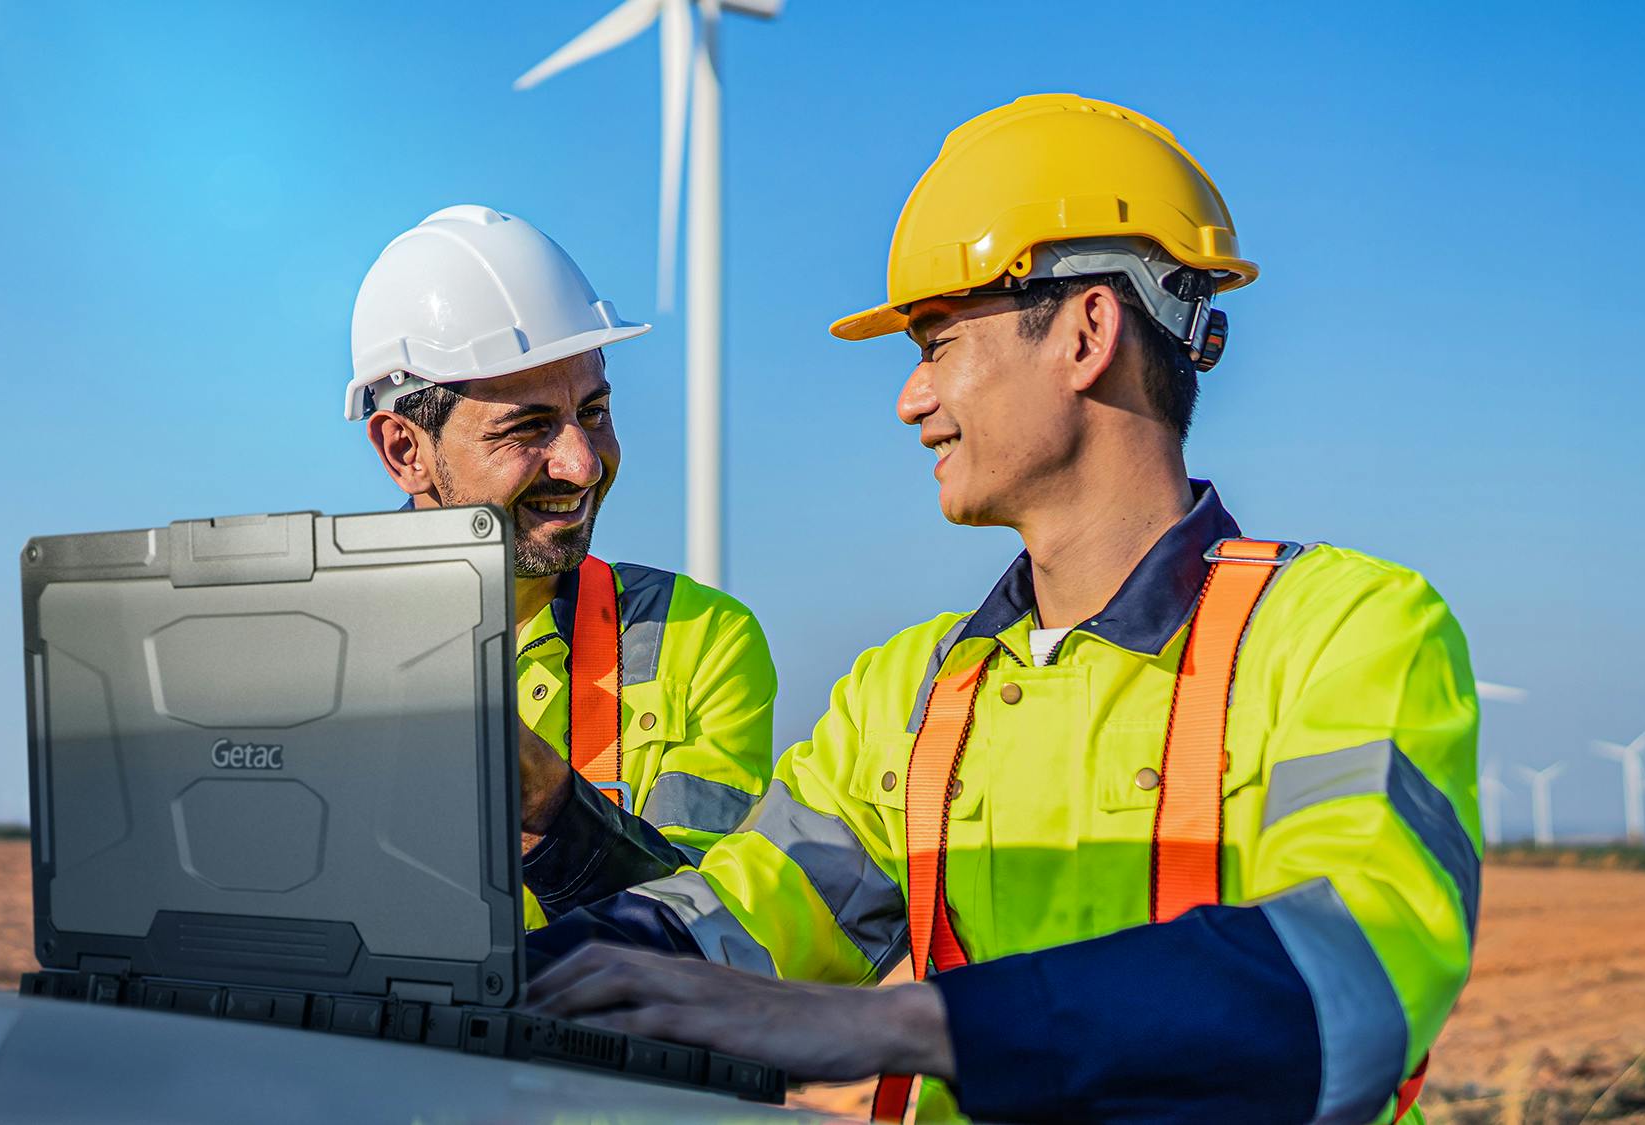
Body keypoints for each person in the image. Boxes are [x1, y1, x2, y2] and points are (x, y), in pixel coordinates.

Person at [525, 96, 1480, 1125]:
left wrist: (900, 1025)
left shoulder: (1346, 631)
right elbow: (736, 915)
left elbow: (1352, 978)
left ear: (1085, 332)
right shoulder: (910, 691)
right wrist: (476, 977)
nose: (909, 397)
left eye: (935, 343)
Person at [347, 205, 777, 928]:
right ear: (404, 450)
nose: (582, 464)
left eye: (595, 411)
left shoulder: (700, 640)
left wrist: (554, 811)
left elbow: (709, 931)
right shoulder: (303, 657)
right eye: (528, 426)